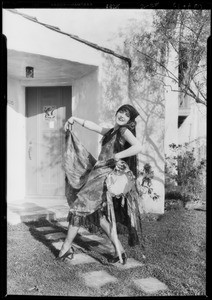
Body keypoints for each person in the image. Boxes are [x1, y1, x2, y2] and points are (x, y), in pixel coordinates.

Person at [57, 104, 143, 264]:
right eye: (121, 112)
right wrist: (74, 118)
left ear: (130, 120)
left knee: (78, 208)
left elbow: (139, 146)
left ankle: (65, 248)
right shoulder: (113, 131)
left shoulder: (124, 131)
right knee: (97, 216)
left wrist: (118, 156)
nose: (122, 115)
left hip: (103, 176)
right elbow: (95, 127)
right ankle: (120, 252)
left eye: (126, 115)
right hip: (97, 173)